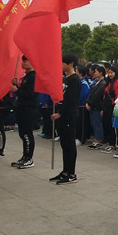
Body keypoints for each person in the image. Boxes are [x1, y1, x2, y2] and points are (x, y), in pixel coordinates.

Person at [50, 53, 81, 184]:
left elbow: (71, 101)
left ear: (71, 64)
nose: (61, 65)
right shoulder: (65, 79)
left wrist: (60, 114)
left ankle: (71, 173)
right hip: (62, 116)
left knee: (69, 144)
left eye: (63, 63)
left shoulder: (74, 80)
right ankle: (65, 171)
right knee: (64, 144)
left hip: (69, 116)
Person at [11, 55, 38, 169]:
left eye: (25, 61)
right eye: (22, 61)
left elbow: (30, 94)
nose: (22, 63)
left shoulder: (33, 76)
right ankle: (24, 156)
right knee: (22, 133)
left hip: (29, 108)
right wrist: (17, 85)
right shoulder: (26, 76)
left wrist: (17, 90)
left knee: (27, 133)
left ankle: (29, 158)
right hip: (21, 107)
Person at [85, 65, 107, 149]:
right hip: (92, 106)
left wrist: (90, 104)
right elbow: (91, 93)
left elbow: (97, 96)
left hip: (97, 106)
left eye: (96, 72)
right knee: (94, 123)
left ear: (101, 73)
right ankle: (96, 138)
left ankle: (99, 140)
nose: (94, 73)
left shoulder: (103, 83)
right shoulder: (96, 82)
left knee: (97, 123)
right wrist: (87, 102)